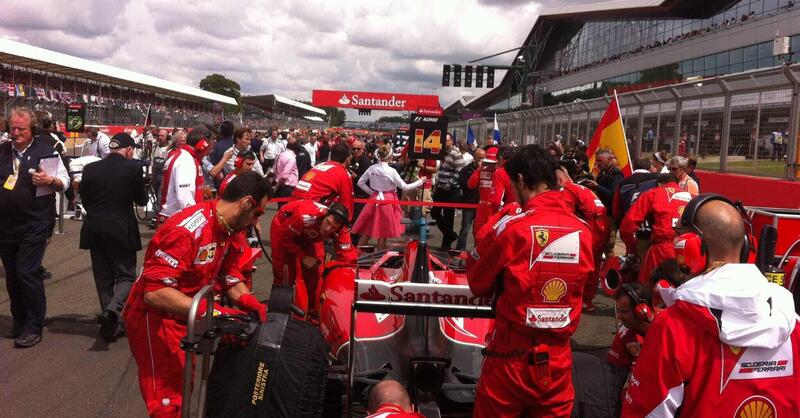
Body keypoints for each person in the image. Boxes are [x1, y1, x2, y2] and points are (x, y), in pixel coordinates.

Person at [621, 195, 800, 417]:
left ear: (690, 248)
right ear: (744, 247)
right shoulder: (791, 321)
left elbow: (645, 411)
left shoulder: (674, 326)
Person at [124, 172, 270, 418]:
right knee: (169, 400)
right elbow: (155, 292)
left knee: (185, 387)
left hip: (188, 316)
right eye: (258, 213)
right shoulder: (188, 230)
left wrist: (251, 304)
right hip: (155, 318)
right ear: (246, 203)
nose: (256, 221)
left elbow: (231, 276)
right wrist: (214, 312)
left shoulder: (230, 230)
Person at [466, 145, 594, 417]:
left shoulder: (513, 227)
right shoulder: (584, 231)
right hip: (558, 360)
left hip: (510, 358)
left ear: (521, 180)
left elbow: (477, 282)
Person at [1, 107, 69, 348]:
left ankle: (33, 325)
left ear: (32, 130)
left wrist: (50, 180)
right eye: (12, 128)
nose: (16, 132)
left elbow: (65, 182)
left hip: (36, 222)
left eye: (21, 128)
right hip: (6, 224)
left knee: (27, 271)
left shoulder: (46, 152)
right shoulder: (3, 151)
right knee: (12, 275)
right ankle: (19, 320)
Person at [78, 133, 148, 342]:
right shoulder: (133, 168)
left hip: (94, 227)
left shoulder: (90, 168)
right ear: (128, 150)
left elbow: (85, 199)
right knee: (126, 275)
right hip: (120, 227)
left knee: (103, 277)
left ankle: (110, 324)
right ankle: (112, 312)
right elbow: (142, 200)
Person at [270, 201, 356, 316]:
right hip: (284, 226)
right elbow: (285, 239)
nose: (328, 228)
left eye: (333, 227)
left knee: (315, 273)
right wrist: (303, 257)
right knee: (284, 273)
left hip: (308, 233)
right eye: (327, 222)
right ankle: (278, 314)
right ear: (325, 215)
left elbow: (348, 257)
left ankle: (313, 314)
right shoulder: (304, 216)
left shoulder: (342, 230)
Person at [556, 164, 610, 312]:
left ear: (559, 180)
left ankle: (581, 299)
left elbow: (566, 213)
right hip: (602, 223)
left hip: (593, 225)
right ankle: (587, 299)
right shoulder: (582, 188)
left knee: (583, 264)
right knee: (594, 264)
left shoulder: (567, 189)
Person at [620, 173, 691, 284]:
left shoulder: (653, 193)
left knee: (649, 289)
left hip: (662, 249)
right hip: (688, 249)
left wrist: (631, 249)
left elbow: (627, 225)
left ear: (659, 184)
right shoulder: (692, 197)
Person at [352, 145, 425, 250]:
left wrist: (372, 193)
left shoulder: (372, 168)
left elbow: (360, 183)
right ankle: (380, 258)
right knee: (383, 233)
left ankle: (356, 255)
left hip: (374, 198)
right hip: (388, 199)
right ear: (390, 157)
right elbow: (405, 187)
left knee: (367, 230)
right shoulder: (391, 171)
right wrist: (420, 181)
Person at [158, 125, 211, 222]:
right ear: (203, 145)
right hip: (177, 220)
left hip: (176, 218)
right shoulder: (186, 160)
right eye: (209, 147)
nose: (209, 151)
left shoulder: (183, 156)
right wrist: (200, 222)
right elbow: (184, 198)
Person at [292, 142, 354, 220]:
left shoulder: (320, 165)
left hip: (291, 207)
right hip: (308, 213)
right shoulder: (344, 173)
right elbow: (346, 205)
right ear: (348, 159)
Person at [607, 282, 657, 372]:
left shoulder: (669, 326)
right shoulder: (624, 336)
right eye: (618, 311)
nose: (618, 316)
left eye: (623, 311)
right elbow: (613, 374)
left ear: (642, 311)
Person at [431, 134, 465, 250]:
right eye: (443, 141)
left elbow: (459, 171)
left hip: (450, 190)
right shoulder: (442, 153)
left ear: (451, 141)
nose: (445, 143)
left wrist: (449, 183)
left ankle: (446, 243)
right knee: (434, 212)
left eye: (447, 141)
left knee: (448, 215)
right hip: (440, 188)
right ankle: (450, 235)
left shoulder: (456, 153)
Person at [456, 148, 482, 251]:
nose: (482, 160)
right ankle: (460, 250)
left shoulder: (489, 170)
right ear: (474, 158)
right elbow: (464, 184)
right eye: (480, 158)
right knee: (465, 229)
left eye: (484, 158)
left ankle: (478, 251)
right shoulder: (467, 170)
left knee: (479, 231)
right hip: (469, 202)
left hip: (481, 205)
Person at [273, 138, 299, 207]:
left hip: (281, 186)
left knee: (281, 208)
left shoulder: (280, 155)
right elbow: (284, 176)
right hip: (287, 188)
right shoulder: (291, 158)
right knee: (285, 210)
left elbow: (275, 169)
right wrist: (276, 187)